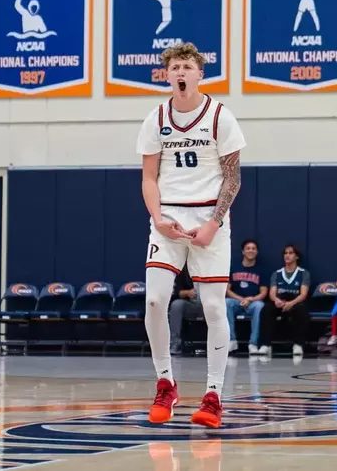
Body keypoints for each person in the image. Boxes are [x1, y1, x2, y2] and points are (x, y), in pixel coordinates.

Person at [136, 42, 245, 429]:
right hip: (167, 222)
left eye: (187, 66)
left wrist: (214, 224)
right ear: (167, 76)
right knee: (154, 301)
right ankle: (165, 383)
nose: (180, 72)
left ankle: (214, 395)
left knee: (215, 308)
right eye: (174, 67)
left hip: (209, 219)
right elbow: (149, 178)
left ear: (200, 74)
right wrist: (158, 218)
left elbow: (232, 177)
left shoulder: (220, 117)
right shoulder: (156, 119)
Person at [259, 244, 311, 357]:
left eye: (290, 253)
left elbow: (303, 294)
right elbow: (272, 293)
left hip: (295, 301)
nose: (287, 255)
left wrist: (291, 303)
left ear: (296, 256)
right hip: (280, 300)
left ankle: (298, 344)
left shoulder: (303, 273)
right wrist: (276, 300)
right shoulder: (277, 273)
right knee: (266, 309)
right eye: (285, 253)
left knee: (302, 310)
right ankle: (266, 344)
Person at [225, 239, 266, 354]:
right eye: (248, 248)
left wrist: (250, 299)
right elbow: (227, 290)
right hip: (237, 301)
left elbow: (263, 292)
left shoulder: (261, 269)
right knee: (226, 302)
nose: (251, 251)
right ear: (243, 251)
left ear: (257, 252)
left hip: (253, 302)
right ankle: (231, 341)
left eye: (253, 248)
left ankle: (253, 344)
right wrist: (242, 299)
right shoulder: (234, 267)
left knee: (260, 306)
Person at [168, 266, 199, 356]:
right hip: (191, 304)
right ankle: (175, 343)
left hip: (210, 302)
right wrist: (187, 292)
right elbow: (176, 292)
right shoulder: (181, 270)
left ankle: (219, 345)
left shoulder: (212, 266)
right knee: (177, 304)